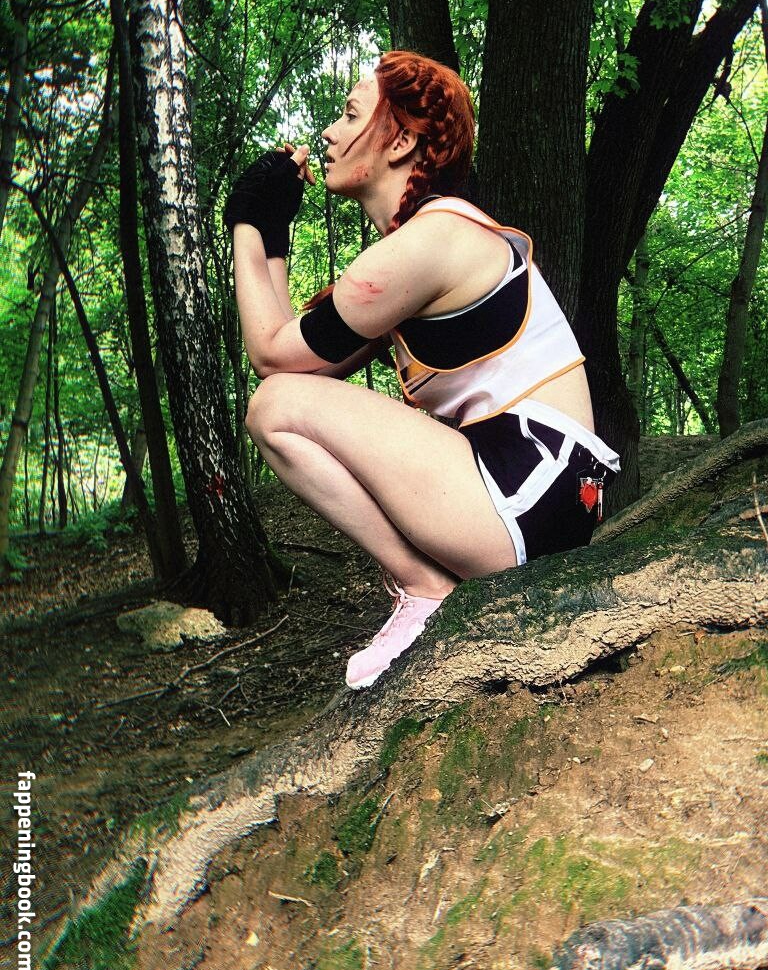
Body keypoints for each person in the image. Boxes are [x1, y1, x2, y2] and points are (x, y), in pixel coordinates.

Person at [225, 50, 620, 689]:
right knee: (280, 400)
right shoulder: (419, 247)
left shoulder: (428, 244)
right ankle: (429, 589)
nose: (329, 133)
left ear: (401, 140)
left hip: (526, 489)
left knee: (271, 409)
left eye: (349, 114)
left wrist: (247, 223)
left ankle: (425, 588)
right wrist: (271, 234)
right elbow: (298, 366)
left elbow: (271, 359)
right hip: (544, 496)